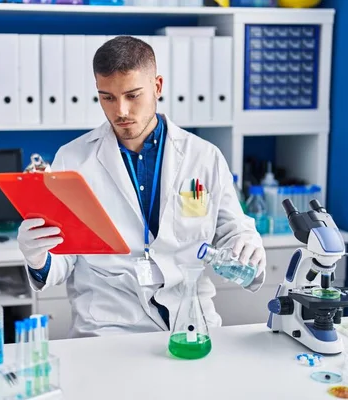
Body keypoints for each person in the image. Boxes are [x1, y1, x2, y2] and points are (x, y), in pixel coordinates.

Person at [17, 36, 266, 338]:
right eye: (107, 97)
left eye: (133, 95)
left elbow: (232, 230)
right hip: (108, 327)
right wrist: (37, 257)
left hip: (190, 320)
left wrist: (247, 243)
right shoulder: (73, 159)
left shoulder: (204, 156)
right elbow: (63, 260)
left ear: (157, 86)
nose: (120, 110)